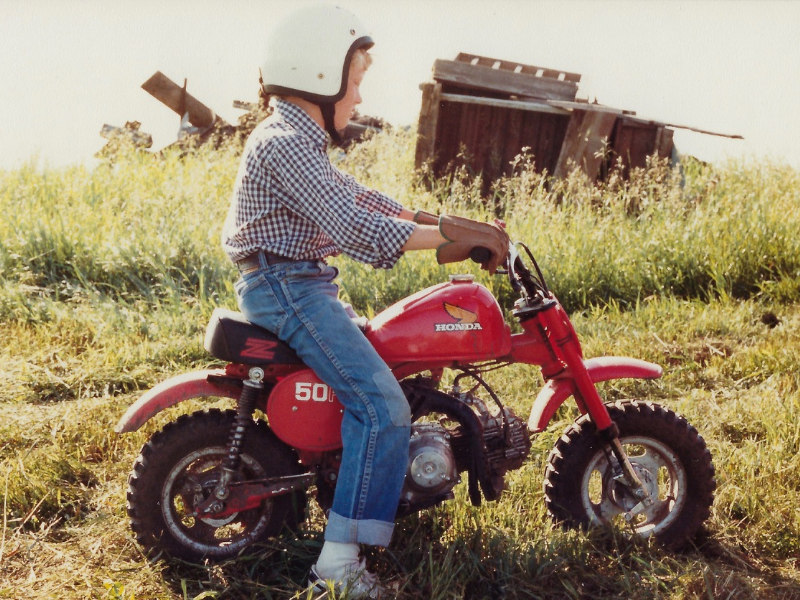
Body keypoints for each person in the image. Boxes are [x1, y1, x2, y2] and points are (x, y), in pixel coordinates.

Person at [221, 4, 509, 597]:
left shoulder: (296, 139)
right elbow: (356, 228)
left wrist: (446, 220)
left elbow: (363, 198)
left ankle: (361, 488)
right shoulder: (283, 143)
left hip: (297, 283)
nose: (357, 97)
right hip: (286, 287)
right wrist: (452, 242)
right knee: (381, 408)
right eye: (355, 81)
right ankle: (338, 567)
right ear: (319, 75)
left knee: (386, 373)